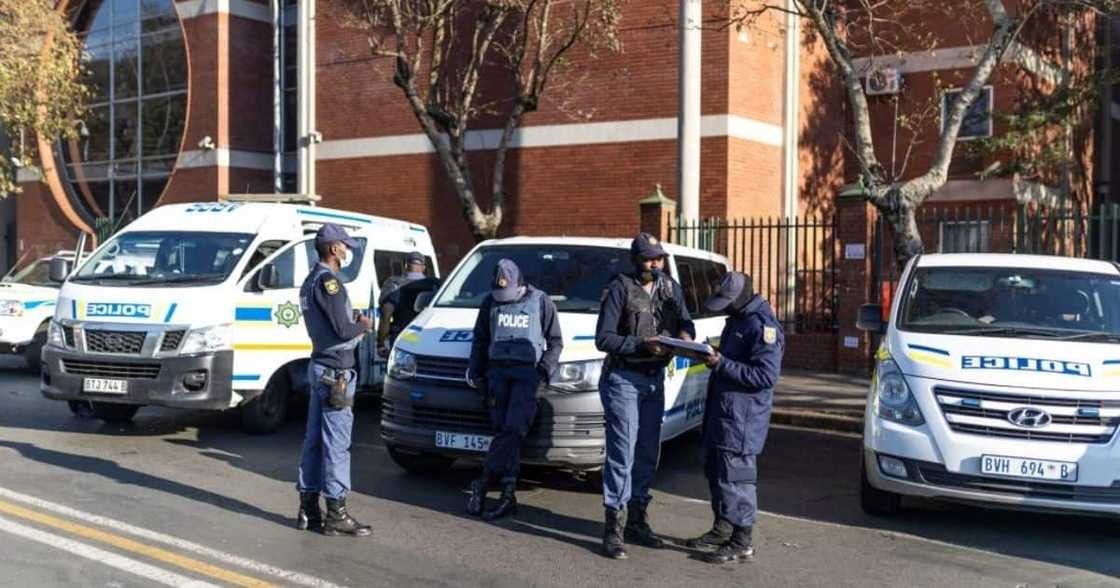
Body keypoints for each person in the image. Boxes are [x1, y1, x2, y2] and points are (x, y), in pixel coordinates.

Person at [594, 233, 695, 560]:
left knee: (649, 451)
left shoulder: (670, 287)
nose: (656, 263)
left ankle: (638, 518)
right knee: (621, 452)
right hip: (624, 377)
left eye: (659, 258)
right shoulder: (620, 288)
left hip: (654, 380)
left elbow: (685, 321)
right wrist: (641, 344)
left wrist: (685, 336)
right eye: (650, 258)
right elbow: (604, 339)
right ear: (635, 260)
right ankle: (614, 527)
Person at [687, 271, 784, 564]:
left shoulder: (762, 325)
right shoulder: (738, 319)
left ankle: (741, 541)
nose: (725, 307)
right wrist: (712, 355)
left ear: (743, 297)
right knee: (715, 472)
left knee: (735, 478)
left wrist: (721, 363)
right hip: (723, 412)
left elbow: (766, 376)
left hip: (742, 419)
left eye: (728, 301)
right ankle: (722, 528)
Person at [465, 259, 563, 520]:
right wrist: (476, 372)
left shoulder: (541, 301)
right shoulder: (490, 302)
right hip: (496, 374)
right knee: (504, 432)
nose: (503, 299)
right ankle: (508, 496)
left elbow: (555, 342)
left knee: (513, 429)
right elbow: (481, 339)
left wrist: (543, 370)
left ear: (520, 283)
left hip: (526, 375)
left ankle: (483, 482)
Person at [296, 223, 375, 537]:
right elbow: (343, 330)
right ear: (333, 248)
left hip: (320, 367)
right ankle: (336, 514)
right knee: (337, 445)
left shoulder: (309, 280)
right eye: (345, 245)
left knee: (314, 441)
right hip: (336, 373)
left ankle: (308, 510)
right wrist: (364, 325)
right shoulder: (328, 282)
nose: (348, 250)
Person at [376, 252, 439, 357]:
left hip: (402, 337)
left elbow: (386, 316)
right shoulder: (434, 284)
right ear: (423, 268)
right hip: (428, 336)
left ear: (405, 266)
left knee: (400, 371)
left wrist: (381, 344)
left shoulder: (393, 283)